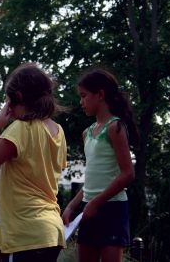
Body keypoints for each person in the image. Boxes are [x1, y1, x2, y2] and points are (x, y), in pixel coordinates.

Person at [0, 63, 67, 262]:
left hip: (29, 231)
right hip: (51, 229)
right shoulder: (57, 131)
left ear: (17, 97)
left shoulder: (21, 128)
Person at [62, 68, 139, 262]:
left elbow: (128, 174)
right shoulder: (87, 133)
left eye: (84, 96)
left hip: (112, 209)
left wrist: (96, 202)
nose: (81, 102)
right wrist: (72, 205)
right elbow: (91, 177)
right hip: (89, 209)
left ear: (101, 95)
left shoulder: (115, 127)